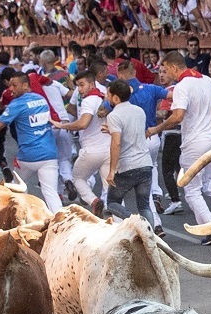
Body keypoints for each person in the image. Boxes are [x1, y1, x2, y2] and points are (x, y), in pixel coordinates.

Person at [147, 50, 211, 244]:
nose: (167, 74)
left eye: (166, 70)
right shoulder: (207, 80)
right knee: (207, 183)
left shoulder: (182, 86)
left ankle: (210, 227)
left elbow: (178, 116)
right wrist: (208, 119)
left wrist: (158, 127)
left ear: (174, 67)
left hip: (194, 142)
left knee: (191, 189)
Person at [0, 69, 62, 212]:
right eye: (9, 85)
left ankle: (21, 216)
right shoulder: (41, 99)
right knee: (51, 193)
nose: (10, 89)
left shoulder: (17, 104)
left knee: (17, 186)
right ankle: (60, 222)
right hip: (49, 154)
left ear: (25, 85)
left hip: (28, 157)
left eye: (14, 86)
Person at [101, 80, 158, 229]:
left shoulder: (114, 115)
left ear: (115, 98)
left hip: (127, 166)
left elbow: (117, 143)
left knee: (112, 203)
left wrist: (112, 170)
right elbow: (134, 132)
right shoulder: (139, 111)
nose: (107, 98)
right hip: (145, 163)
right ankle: (150, 236)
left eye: (108, 95)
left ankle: (133, 222)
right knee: (144, 206)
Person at [54, 71, 112, 214]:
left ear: (92, 84)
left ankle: (93, 200)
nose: (79, 90)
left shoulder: (88, 101)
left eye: (82, 85)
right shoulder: (104, 97)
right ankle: (119, 220)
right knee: (110, 187)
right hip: (108, 150)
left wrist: (63, 125)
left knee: (78, 178)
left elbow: (83, 123)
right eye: (78, 86)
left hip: (91, 150)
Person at [117, 59, 168, 220]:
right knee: (152, 166)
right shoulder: (151, 88)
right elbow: (173, 95)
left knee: (141, 181)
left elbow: (104, 109)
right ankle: (157, 192)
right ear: (134, 72)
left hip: (136, 141)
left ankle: (155, 221)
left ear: (120, 74)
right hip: (153, 136)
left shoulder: (122, 95)